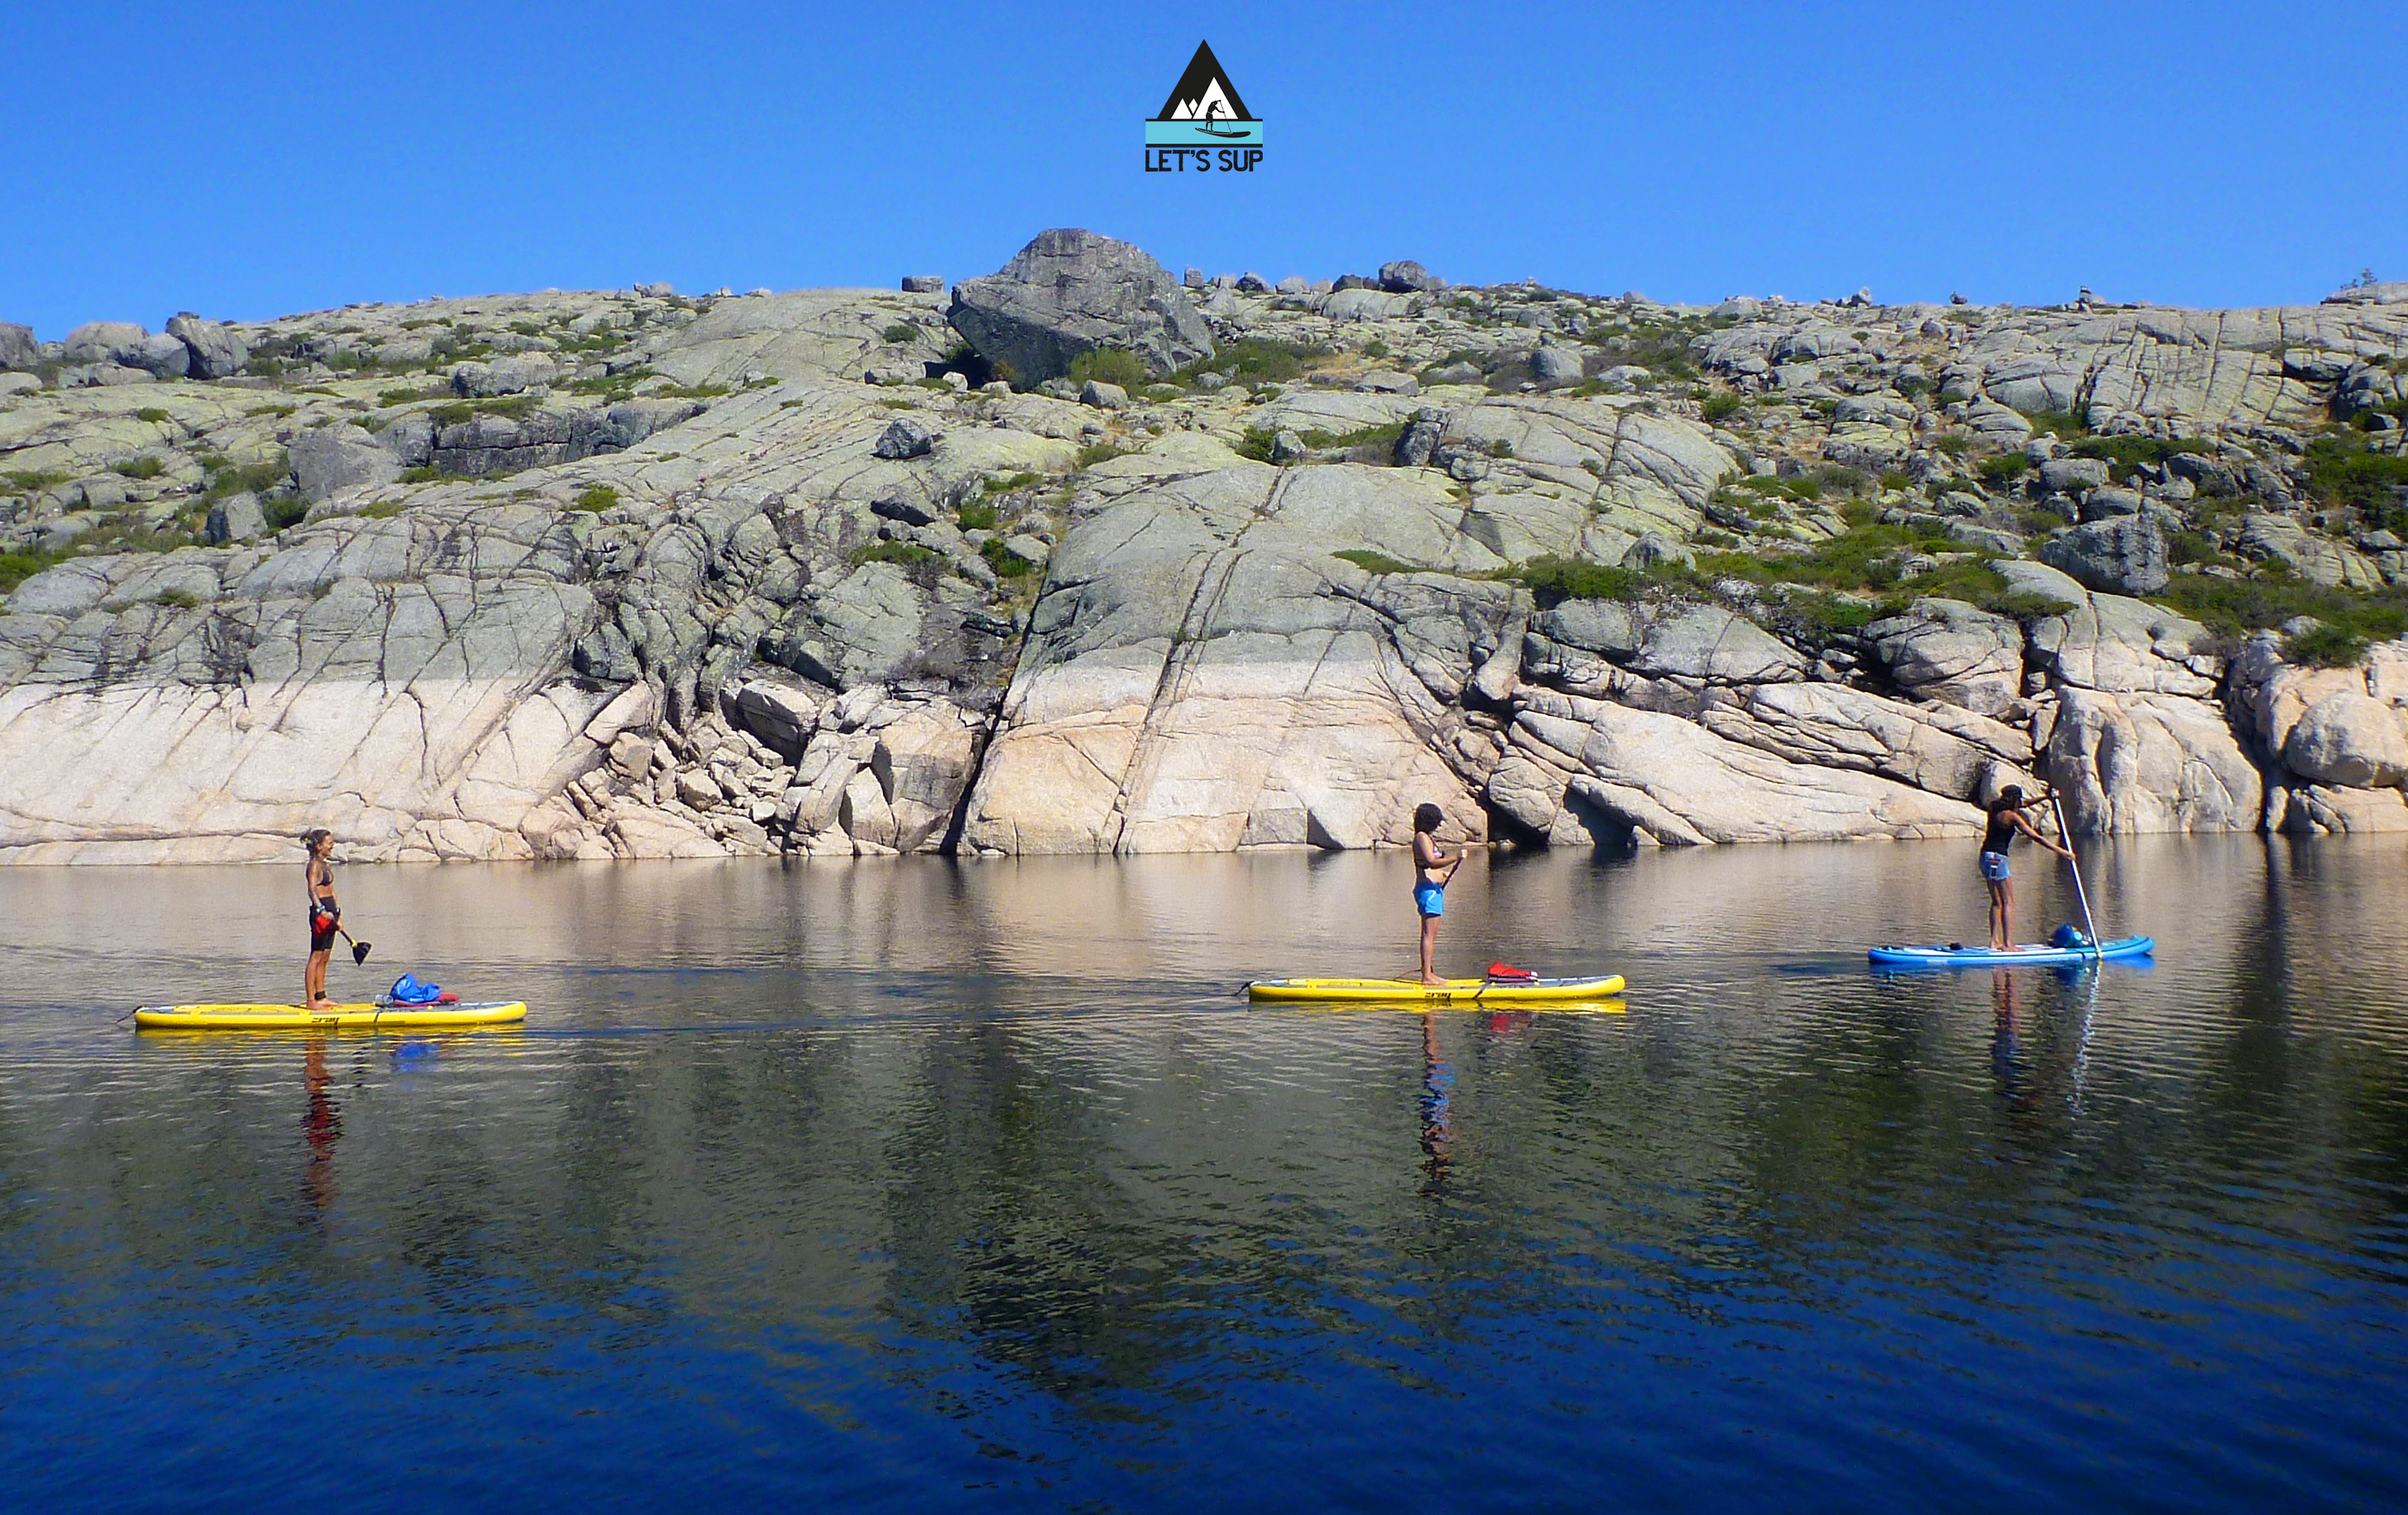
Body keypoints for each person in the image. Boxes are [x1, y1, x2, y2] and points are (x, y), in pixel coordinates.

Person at [1978, 787, 2074, 950]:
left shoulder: (1994, 808)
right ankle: (2008, 945)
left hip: (1985, 856)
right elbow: (2035, 837)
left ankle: (1995, 942)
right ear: (2015, 800)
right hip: (1999, 859)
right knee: (2009, 901)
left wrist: (2045, 797)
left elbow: (2025, 803)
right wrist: (2062, 851)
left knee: (1997, 902)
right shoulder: (2013, 817)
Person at [1411, 803, 1461, 987]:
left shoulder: (1427, 838)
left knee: (1431, 935)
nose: (1437, 826)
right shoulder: (1421, 837)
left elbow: (1433, 866)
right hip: (1428, 891)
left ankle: (1429, 973)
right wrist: (1455, 858)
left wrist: (1444, 875)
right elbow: (1431, 862)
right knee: (1428, 935)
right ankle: (1427, 977)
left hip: (1434, 890)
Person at [302, 829, 341, 1011]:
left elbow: (332, 891)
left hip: (332, 914)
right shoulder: (314, 865)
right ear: (319, 846)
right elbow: (312, 891)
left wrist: (338, 915)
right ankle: (311, 1001)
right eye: (329, 842)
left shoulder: (326, 864)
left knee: (325, 956)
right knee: (316, 956)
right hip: (321, 914)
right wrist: (321, 910)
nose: (332, 845)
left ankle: (322, 997)